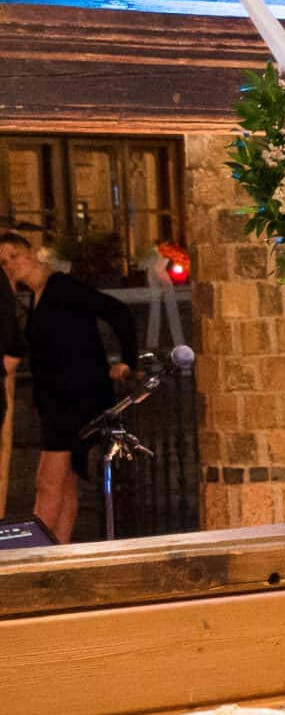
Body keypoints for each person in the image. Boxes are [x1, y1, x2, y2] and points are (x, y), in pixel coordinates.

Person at [0, 230, 136, 543]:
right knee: (66, 481)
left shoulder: (62, 287)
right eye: (3, 262)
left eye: (14, 256)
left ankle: (39, 553)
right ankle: (58, 549)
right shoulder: (35, 297)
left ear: (32, 252)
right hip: (57, 400)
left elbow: (118, 311)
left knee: (48, 481)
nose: (10, 264)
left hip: (75, 398)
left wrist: (127, 362)